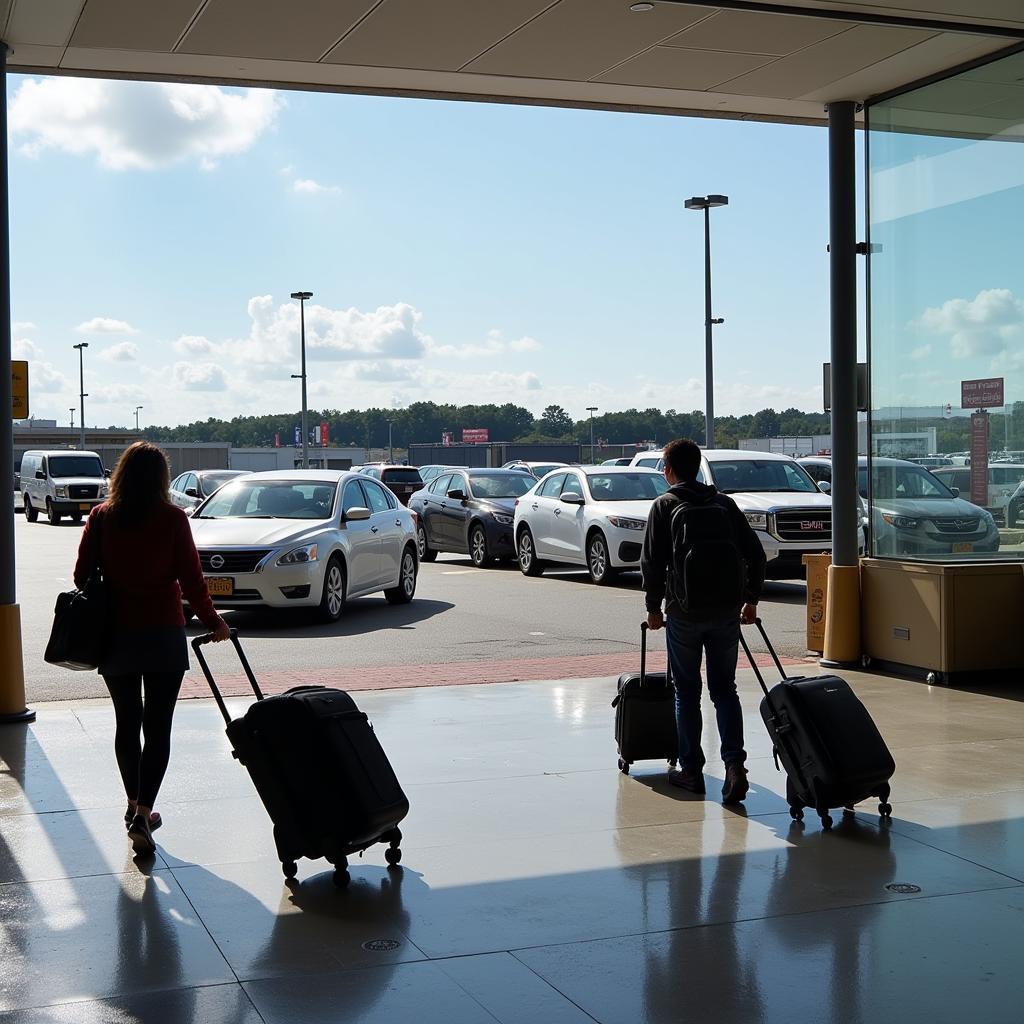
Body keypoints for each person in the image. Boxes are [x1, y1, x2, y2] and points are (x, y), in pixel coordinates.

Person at [73, 442, 230, 854]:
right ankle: (144, 811)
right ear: (162, 478)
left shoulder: (102, 518)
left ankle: (131, 805)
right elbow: (193, 581)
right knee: (158, 727)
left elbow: (79, 576)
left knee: (127, 723)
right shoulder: (174, 519)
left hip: (116, 635)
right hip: (162, 633)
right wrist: (214, 623)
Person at [641, 438, 766, 804]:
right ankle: (734, 765)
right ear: (696, 467)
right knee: (725, 690)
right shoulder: (724, 504)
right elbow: (755, 554)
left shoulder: (664, 505)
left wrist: (653, 608)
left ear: (668, 470)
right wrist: (751, 600)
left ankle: (691, 771)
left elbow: (651, 562)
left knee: (687, 692)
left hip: (683, 612)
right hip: (726, 612)